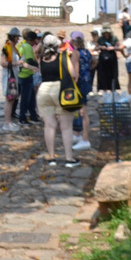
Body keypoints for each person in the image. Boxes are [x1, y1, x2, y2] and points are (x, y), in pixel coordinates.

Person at [36, 33, 81, 167]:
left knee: (49, 125)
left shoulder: (42, 59)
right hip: (60, 90)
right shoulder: (63, 57)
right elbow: (73, 74)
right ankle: (68, 158)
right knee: (66, 126)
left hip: (43, 90)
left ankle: (51, 157)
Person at [70, 30, 95, 151]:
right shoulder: (87, 52)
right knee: (79, 110)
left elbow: (76, 71)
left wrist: (72, 85)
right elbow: (95, 62)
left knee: (82, 111)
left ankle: (84, 138)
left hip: (79, 84)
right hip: (86, 82)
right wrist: (88, 71)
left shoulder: (76, 53)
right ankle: (77, 134)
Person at [17, 29, 41, 124]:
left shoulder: (23, 45)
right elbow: (30, 60)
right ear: (32, 40)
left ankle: (33, 115)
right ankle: (22, 117)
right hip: (26, 75)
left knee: (31, 98)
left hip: (24, 75)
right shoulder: (28, 47)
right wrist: (36, 66)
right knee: (26, 98)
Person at [0, 27, 22, 131]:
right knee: (9, 99)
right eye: (17, 37)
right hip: (9, 76)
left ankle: (9, 121)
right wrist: (16, 63)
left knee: (12, 99)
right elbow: (3, 63)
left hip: (14, 75)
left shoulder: (14, 48)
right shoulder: (6, 48)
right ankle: (7, 122)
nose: (18, 39)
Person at [95, 26, 119, 95]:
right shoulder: (100, 39)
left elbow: (119, 47)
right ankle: (104, 89)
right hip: (103, 58)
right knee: (103, 74)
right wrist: (100, 47)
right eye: (105, 32)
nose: (106, 34)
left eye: (107, 32)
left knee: (113, 73)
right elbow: (95, 47)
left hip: (112, 57)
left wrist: (113, 48)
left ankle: (113, 89)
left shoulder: (114, 38)